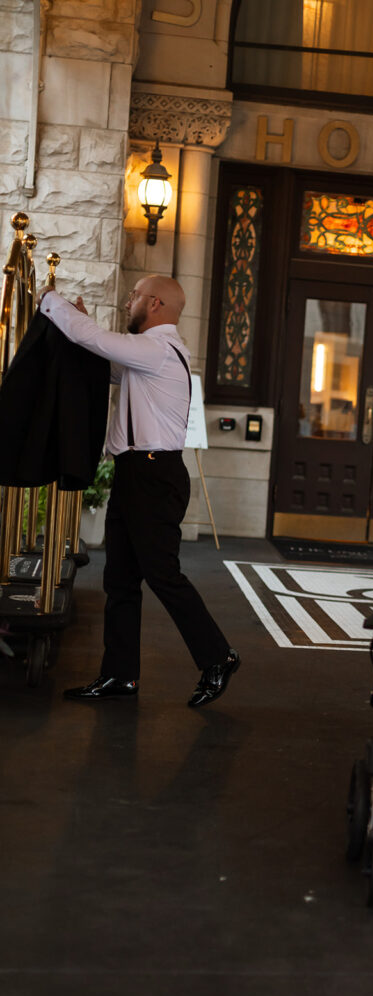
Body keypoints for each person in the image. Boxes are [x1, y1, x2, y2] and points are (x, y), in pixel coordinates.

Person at [39, 276, 240, 708]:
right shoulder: (148, 354)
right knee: (121, 581)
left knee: (162, 575)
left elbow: (92, 338)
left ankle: (218, 657)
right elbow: (102, 359)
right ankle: (119, 676)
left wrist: (51, 300)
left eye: (133, 296)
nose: (128, 301)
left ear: (154, 303)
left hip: (153, 475)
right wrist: (83, 327)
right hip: (136, 474)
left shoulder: (157, 349)